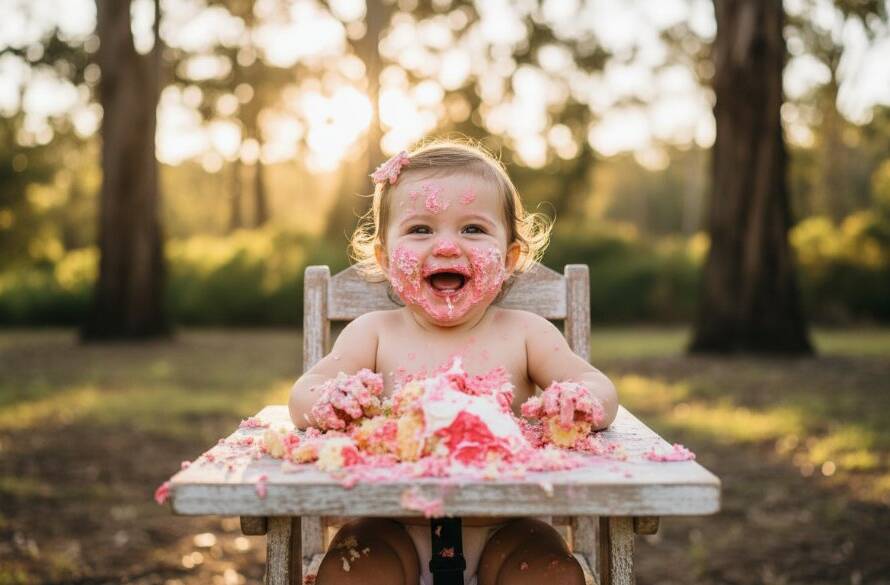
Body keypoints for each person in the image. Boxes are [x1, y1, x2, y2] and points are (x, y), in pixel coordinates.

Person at [288, 140, 619, 585]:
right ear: (385, 258)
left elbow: (598, 387)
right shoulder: (374, 333)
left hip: (507, 527)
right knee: (349, 572)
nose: (445, 246)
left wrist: (579, 401)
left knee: (552, 574)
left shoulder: (526, 333)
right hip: (392, 527)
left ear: (509, 257)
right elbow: (302, 395)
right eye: (421, 229)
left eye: (473, 230)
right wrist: (334, 401)